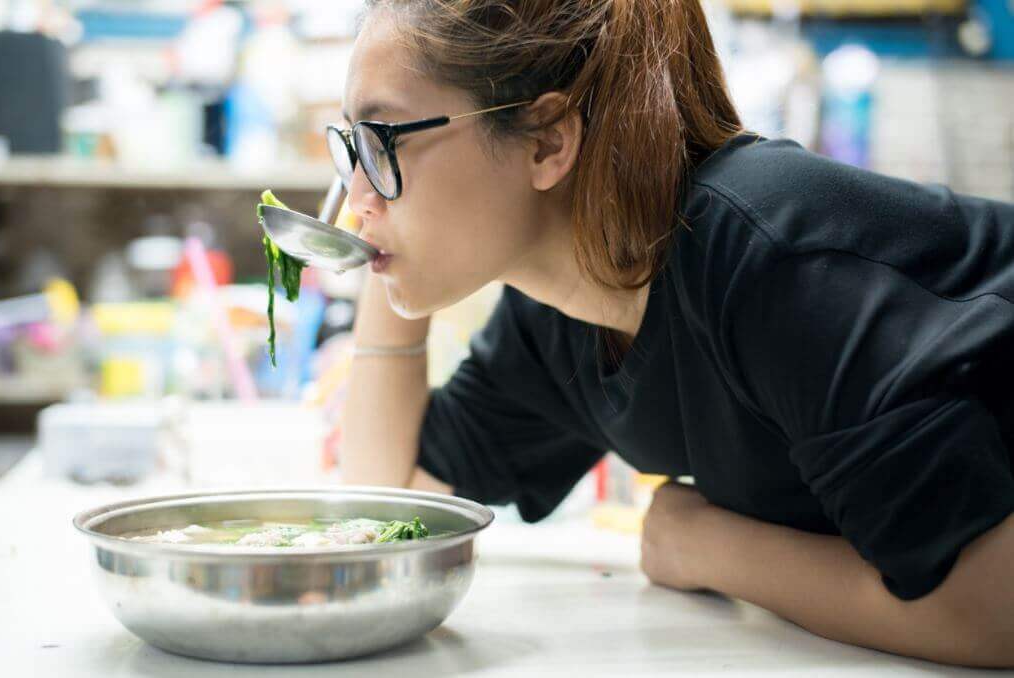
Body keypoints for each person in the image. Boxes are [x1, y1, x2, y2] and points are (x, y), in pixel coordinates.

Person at [333, 0, 1014, 667]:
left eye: (382, 140)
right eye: (349, 148)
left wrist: (708, 547)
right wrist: (385, 251)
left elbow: (991, 611)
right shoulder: (559, 313)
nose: (354, 193)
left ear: (547, 141)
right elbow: (386, 525)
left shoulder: (764, 255)